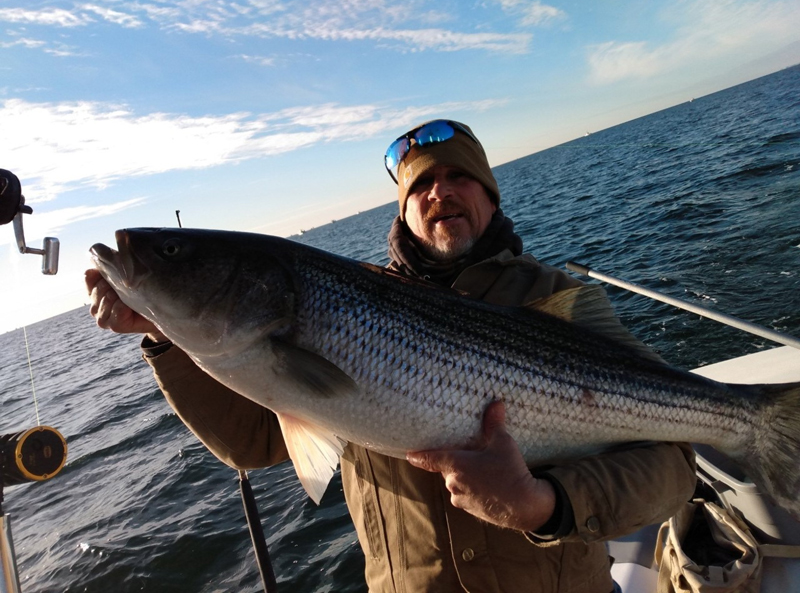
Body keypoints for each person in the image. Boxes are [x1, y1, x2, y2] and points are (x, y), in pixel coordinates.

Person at [86, 119, 697, 593]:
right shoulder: (308, 318)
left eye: (459, 178)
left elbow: (673, 473)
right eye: (422, 185)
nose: (440, 193)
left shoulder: (557, 299)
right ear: (403, 209)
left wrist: (543, 506)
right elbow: (251, 444)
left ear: (489, 196)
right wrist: (163, 339)